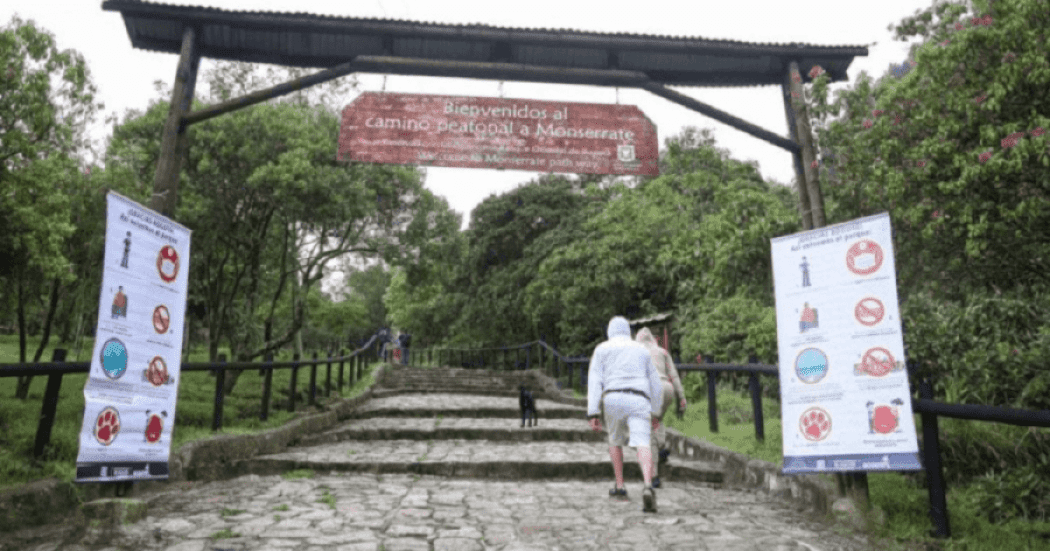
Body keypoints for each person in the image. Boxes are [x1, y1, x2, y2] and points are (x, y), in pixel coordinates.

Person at [587, 316, 663, 513]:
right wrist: (656, 411)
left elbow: (595, 380)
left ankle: (620, 485)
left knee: (615, 440)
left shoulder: (602, 349)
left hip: (613, 397)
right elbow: (654, 381)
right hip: (639, 398)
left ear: (610, 331)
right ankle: (647, 484)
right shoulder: (641, 349)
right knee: (643, 442)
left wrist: (593, 412)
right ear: (628, 331)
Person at [634, 327, 687, 488]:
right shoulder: (662, 352)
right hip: (667, 388)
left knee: (648, 431)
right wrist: (681, 397)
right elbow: (674, 375)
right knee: (658, 419)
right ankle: (662, 446)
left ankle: (654, 475)